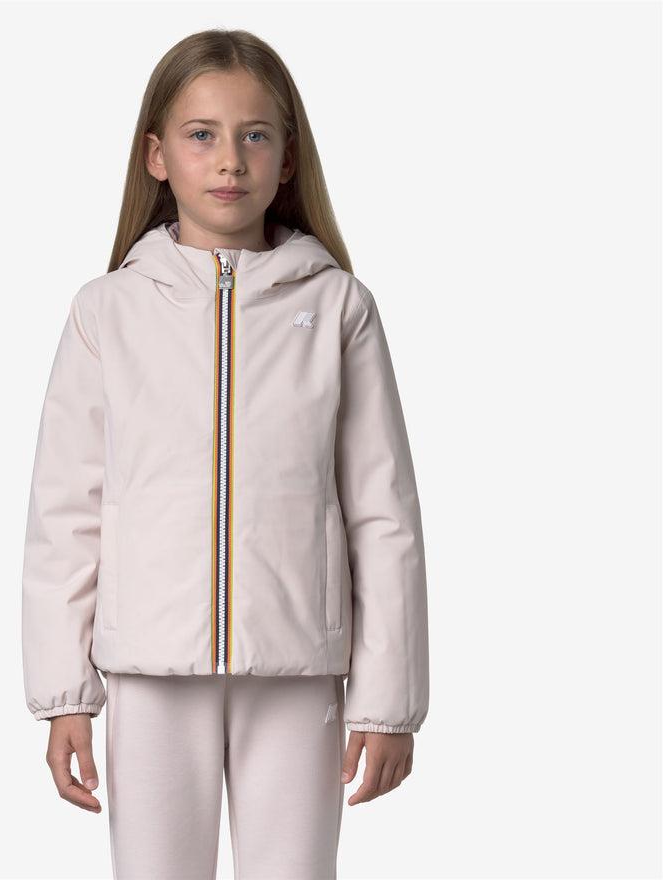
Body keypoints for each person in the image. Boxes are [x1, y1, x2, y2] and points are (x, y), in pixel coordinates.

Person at [21, 27, 429, 880]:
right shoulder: (107, 312)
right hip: (149, 670)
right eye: (201, 134)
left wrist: (389, 704)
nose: (230, 160)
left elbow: (383, 513)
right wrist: (64, 697)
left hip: (298, 667)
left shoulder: (340, 309)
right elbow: (66, 512)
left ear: (287, 158)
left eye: (255, 135)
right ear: (157, 155)